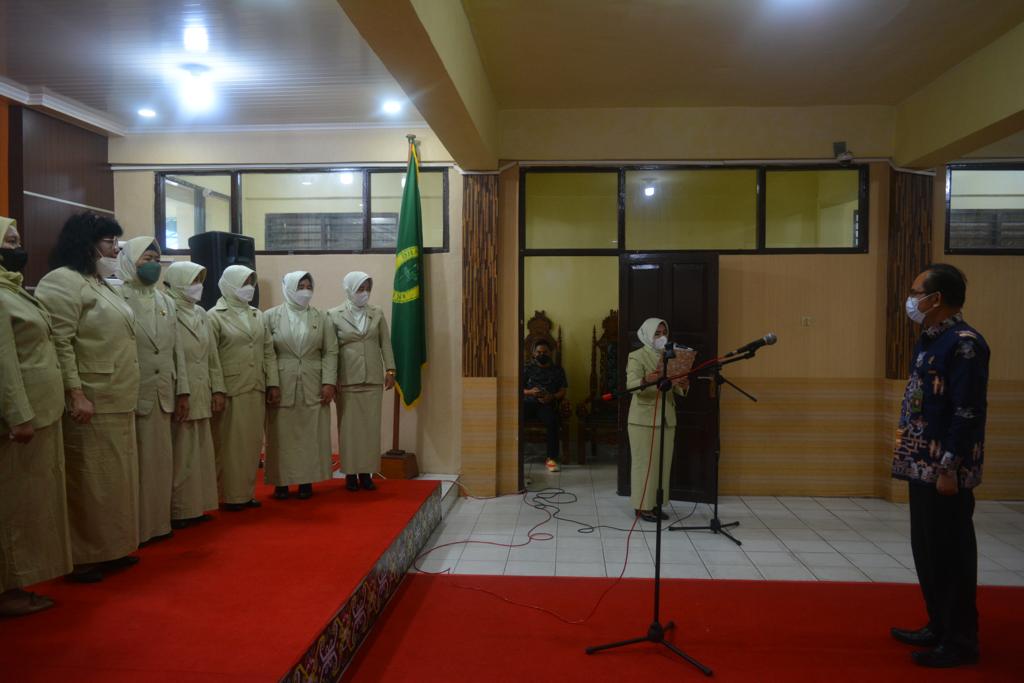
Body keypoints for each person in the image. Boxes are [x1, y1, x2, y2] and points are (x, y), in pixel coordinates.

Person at [890, 263, 988, 669]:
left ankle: (961, 640)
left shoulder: (964, 344)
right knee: (928, 550)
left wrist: (949, 466)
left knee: (952, 553)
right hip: (921, 464)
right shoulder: (931, 339)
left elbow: (966, 411)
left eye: (917, 292)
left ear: (937, 299)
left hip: (945, 470)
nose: (911, 300)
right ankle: (938, 624)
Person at [35, 213, 141, 583]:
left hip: (118, 394)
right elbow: (60, 342)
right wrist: (75, 392)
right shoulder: (62, 282)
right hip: (91, 397)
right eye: (110, 242)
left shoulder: (100, 283)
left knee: (114, 480)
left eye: (116, 242)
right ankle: (83, 556)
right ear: (86, 243)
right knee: (90, 479)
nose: (115, 249)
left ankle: (110, 547)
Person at [0, 219, 73, 616]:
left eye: (18, 240)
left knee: (30, 503)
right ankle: (9, 589)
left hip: (41, 411)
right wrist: (18, 415)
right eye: (9, 241)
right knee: (14, 505)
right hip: (22, 418)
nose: (17, 247)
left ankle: (18, 581)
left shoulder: (15, 291)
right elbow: (4, 363)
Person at [117, 237, 190, 544]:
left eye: (156, 260)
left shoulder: (165, 301)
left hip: (163, 392)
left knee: (160, 463)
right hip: (133, 392)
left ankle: (159, 524)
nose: (152, 265)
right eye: (145, 259)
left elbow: (176, 352)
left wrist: (182, 389)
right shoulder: (117, 297)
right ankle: (135, 530)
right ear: (129, 262)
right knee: (135, 468)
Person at [208, 265, 279, 511]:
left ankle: (246, 493)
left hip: (256, 386)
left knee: (251, 443)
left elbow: (268, 350)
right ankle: (228, 495)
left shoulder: (257, 315)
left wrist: (273, 382)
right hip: (231, 387)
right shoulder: (214, 315)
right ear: (228, 284)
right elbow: (211, 357)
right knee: (229, 444)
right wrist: (217, 388)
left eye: (251, 282)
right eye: (243, 283)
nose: (249, 288)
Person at [264, 272, 337, 499]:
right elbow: (267, 353)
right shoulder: (270, 316)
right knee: (281, 436)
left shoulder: (321, 316)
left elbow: (331, 351)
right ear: (287, 288)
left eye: (308, 286)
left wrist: (329, 382)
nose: (305, 291)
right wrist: (272, 383)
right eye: (300, 286)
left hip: (313, 383)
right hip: (282, 384)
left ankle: (307, 482)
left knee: (309, 435)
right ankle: (281, 483)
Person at [164, 262, 224, 529]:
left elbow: (212, 356)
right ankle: (180, 509)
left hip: (203, 386)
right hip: (181, 388)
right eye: (192, 280)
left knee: (201, 449)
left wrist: (218, 387)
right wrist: (182, 391)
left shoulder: (200, 312)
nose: (197, 286)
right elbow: (172, 354)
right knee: (182, 451)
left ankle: (199, 505)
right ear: (177, 281)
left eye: (200, 280)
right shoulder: (167, 309)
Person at [328, 272, 396, 492]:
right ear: (349, 289)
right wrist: (331, 379)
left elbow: (385, 342)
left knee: (370, 428)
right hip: (346, 379)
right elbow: (330, 351)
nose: (364, 293)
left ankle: (367, 473)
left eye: (367, 288)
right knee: (348, 430)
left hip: (372, 379)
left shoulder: (376, 313)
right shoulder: (333, 315)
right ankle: (349, 473)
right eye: (360, 288)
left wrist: (391, 369)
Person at [626, 318, 688, 523]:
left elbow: (676, 388)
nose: (662, 337)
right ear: (646, 334)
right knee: (645, 465)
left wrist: (683, 383)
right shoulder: (636, 356)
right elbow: (631, 385)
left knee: (662, 465)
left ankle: (656, 504)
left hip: (667, 418)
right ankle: (642, 507)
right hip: (643, 420)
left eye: (664, 332)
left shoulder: (672, 355)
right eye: (657, 333)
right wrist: (646, 380)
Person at [522, 339, 568, 473]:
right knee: (513, 419)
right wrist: (530, 392)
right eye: (539, 352)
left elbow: (563, 390)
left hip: (546, 405)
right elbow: (517, 389)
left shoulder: (558, 370)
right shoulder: (526, 368)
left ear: (551, 353)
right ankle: (514, 457)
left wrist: (551, 397)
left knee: (553, 422)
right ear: (533, 353)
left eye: (545, 352)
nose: (542, 354)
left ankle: (551, 459)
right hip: (528, 403)